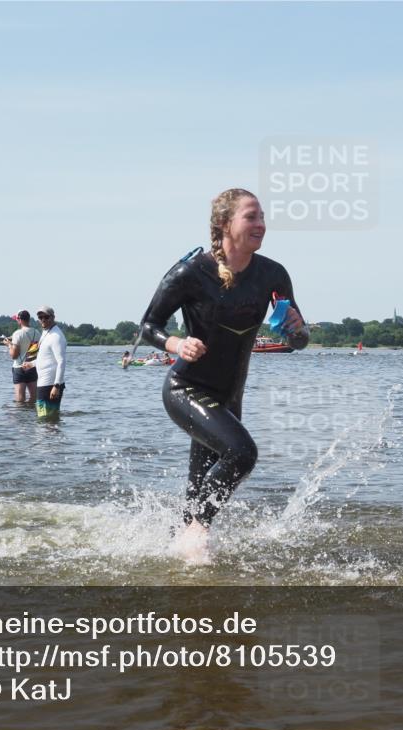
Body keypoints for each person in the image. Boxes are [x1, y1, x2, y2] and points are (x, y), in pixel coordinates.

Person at [140, 188, 308, 561]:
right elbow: (149, 326)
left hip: (229, 396)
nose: (261, 224)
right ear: (224, 224)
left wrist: (297, 330)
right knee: (242, 452)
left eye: (262, 217)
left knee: (199, 486)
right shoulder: (191, 272)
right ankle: (196, 530)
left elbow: (299, 341)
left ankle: (179, 552)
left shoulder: (272, 274)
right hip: (187, 388)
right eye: (251, 216)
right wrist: (176, 345)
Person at [31, 305, 66, 420]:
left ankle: (50, 438)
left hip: (50, 385)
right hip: (43, 383)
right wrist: (32, 364)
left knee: (45, 419)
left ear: (53, 317)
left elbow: (61, 362)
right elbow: (45, 357)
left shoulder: (56, 336)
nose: (43, 320)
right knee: (48, 419)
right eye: (40, 317)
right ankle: (50, 438)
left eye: (46, 317)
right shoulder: (46, 333)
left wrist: (56, 386)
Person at [4, 310, 41, 403]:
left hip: (19, 368)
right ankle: (31, 415)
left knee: (20, 399)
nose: (16, 321)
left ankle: (21, 417)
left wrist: (9, 345)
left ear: (20, 320)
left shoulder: (17, 333)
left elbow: (14, 355)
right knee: (33, 397)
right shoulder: (37, 333)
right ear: (28, 319)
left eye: (17, 319)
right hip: (32, 366)